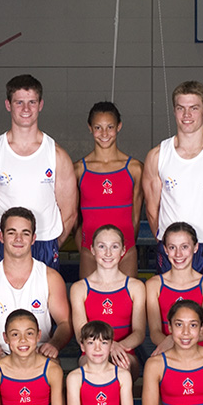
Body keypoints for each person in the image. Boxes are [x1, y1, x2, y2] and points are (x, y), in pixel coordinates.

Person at [0, 74, 77, 271]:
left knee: (45, 301)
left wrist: (51, 243)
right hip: (2, 243)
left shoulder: (57, 155)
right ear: (8, 105)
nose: (26, 109)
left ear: (40, 105)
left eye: (32, 102)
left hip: (45, 243)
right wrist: (2, 238)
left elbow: (69, 213)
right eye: (19, 102)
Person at [142, 80, 203, 277]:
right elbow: (152, 209)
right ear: (174, 111)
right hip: (171, 248)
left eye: (193, 108)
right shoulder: (157, 156)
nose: (187, 115)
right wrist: (167, 241)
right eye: (181, 108)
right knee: (170, 306)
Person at [0, 207, 71, 371]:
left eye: (25, 233)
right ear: (1, 236)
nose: (18, 238)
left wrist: (54, 345)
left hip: (39, 352)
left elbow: (65, 323)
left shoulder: (50, 278)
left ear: (33, 238)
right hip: (0, 353)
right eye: (11, 232)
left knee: (53, 367)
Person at [74, 102, 143, 278]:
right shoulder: (79, 170)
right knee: (89, 302)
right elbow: (74, 218)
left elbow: (135, 216)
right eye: (98, 127)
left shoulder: (134, 168)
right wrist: (85, 247)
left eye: (110, 127)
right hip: (90, 249)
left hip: (125, 249)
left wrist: (123, 246)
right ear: (90, 128)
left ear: (119, 127)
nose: (104, 134)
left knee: (128, 303)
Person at [69, 225, 145, 377]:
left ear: (123, 251)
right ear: (92, 250)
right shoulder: (80, 288)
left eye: (114, 247)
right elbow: (80, 333)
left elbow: (139, 332)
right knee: (93, 370)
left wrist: (118, 347)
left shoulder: (135, 287)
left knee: (122, 368)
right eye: (102, 246)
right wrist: (106, 347)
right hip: (91, 353)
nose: (108, 253)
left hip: (125, 352)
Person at [145, 222, 203, 357]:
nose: (178, 254)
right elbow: (155, 333)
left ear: (195, 247)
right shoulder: (154, 284)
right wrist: (169, 344)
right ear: (165, 250)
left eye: (184, 247)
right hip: (166, 352)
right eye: (172, 247)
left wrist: (171, 339)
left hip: (198, 354)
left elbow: (202, 333)